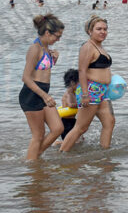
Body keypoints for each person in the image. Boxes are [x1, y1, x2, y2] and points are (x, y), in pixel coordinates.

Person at [60, 15, 115, 152]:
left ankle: (104, 153)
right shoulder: (88, 47)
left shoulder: (100, 46)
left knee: (109, 123)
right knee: (81, 127)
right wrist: (85, 94)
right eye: (99, 29)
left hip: (103, 90)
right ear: (90, 31)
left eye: (105, 29)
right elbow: (82, 71)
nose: (103, 32)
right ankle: (62, 154)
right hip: (91, 90)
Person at [20, 14, 65, 160]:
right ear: (47, 33)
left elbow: (42, 71)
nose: (58, 39)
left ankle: (35, 156)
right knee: (38, 135)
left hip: (42, 93)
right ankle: (32, 169)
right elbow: (26, 77)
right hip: (32, 95)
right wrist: (45, 96)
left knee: (58, 128)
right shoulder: (35, 48)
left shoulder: (46, 48)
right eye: (57, 36)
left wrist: (54, 59)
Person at [60, 69, 79, 141]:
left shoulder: (73, 92)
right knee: (68, 141)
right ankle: (57, 144)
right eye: (79, 82)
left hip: (72, 120)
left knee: (78, 140)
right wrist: (81, 104)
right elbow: (71, 105)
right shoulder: (68, 93)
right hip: (66, 122)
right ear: (72, 82)